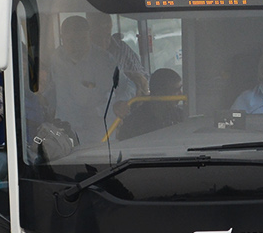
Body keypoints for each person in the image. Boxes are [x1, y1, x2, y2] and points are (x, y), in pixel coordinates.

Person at [44, 14, 137, 144]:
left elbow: (128, 86)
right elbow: (49, 93)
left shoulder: (104, 60)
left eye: (82, 40)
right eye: (71, 41)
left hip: (101, 133)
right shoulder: (54, 60)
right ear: (62, 38)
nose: (77, 46)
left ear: (89, 37)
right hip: (66, 133)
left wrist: (121, 101)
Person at [117, 67, 186, 139]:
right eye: (176, 90)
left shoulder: (180, 116)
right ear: (159, 94)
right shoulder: (134, 123)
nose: (181, 94)